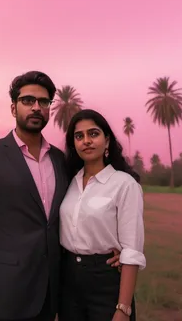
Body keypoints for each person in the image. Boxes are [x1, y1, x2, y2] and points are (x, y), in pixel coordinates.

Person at [0, 71, 120, 321]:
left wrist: (114, 244)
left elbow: (83, 205)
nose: (36, 107)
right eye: (28, 100)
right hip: (6, 294)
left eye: (43, 102)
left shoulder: (61, 160)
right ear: (13, 108)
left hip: (54, 293)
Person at [58, 109, 146, 321]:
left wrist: (123, 308)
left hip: (105, 282)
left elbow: (132, 250)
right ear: (74, 145)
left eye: (93, 134)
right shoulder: (69, 183)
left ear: (107, 141)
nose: (86, 141)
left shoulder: (124, 184)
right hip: (68, 282)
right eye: (79, 136)